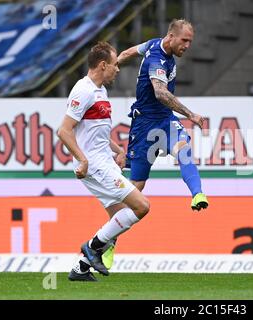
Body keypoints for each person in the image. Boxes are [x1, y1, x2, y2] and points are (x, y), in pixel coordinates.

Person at [57, 42, 150, 281]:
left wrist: (118, 150)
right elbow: (64, 131)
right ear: (102, 65)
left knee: (119, 217)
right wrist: (83, 160)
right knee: (141, 206)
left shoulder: (100, 90)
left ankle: (81, 268)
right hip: (95, 165)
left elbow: (96, 132)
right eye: (115, 65)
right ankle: (92, 246)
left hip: (104, 161)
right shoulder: (83, 90)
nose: (118, 69)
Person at [117, 19, 209, 211]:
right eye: (184, 40)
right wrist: (190, 114)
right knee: (137, 186)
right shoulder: (156, 59)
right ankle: (110, 234)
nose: (187, 46)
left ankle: (197, 194)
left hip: (165, 120)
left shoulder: (152, 43)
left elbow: (128, 52)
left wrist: (115, 64)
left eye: (190, 41)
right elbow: (160, 93)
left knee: (183, 150)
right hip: (144, 125)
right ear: (171, 36)